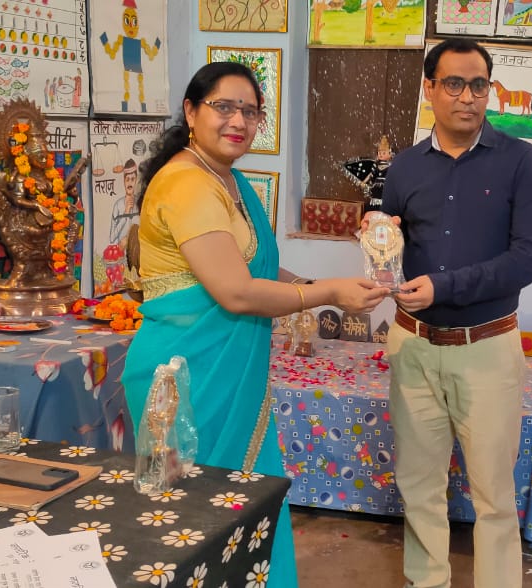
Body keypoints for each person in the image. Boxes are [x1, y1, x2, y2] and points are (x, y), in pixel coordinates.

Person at [122, 62, 387, 588]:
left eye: (250, 111)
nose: (238, 120)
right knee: (194, 524)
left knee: (247, 508)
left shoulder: (231, 180)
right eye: (224, 106)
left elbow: (255, 270)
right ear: (191, 112)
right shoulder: (186, 183)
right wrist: (328, 293)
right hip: (184, 380)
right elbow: (236, 292)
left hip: (232, 372)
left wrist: (316, 284)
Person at [370, 38, 532, 587]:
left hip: (487, 348)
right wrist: (377, 237)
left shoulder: (521, 161)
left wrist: (443, 287)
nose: (467, 97)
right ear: (429, 89)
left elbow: (528, 258)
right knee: (419, 487)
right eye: (454, 83)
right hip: (414, 346)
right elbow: (387, 239)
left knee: (494, 495)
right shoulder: (403, 167)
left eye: (478, 85)